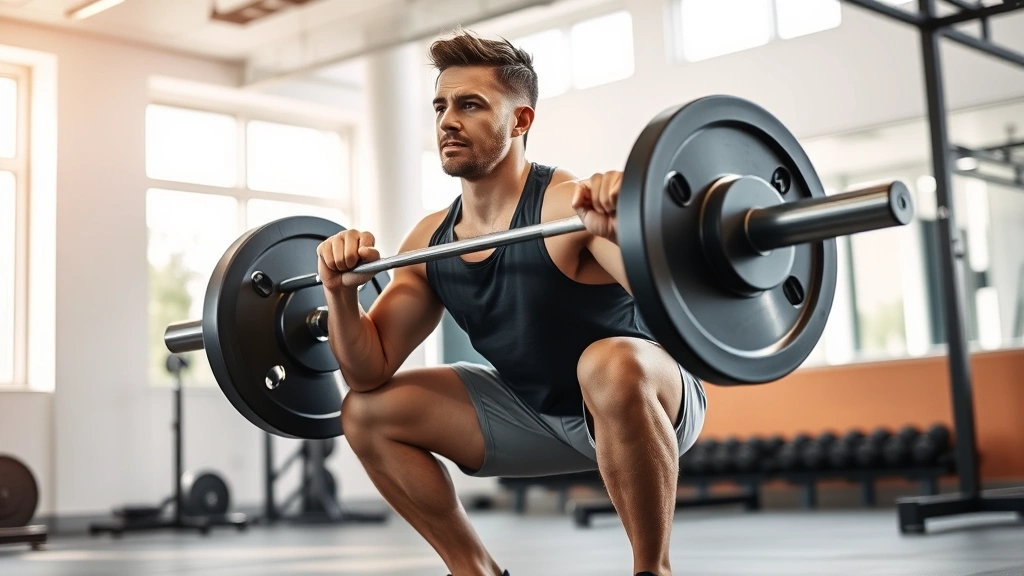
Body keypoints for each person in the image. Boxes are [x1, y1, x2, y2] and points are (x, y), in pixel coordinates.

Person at [316, 29, 706, 576]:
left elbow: (674, 311)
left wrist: (627, 232)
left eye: (470, 104)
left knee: (609, 363)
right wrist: (338, 293)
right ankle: (473, 568)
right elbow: (367, 369)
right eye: (440, 105)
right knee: (366, 412)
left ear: (520, 121)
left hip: (646, 403)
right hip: (535, 411)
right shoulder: (432, 238)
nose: (447, 120)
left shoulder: (567, 206)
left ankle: (652, 569)